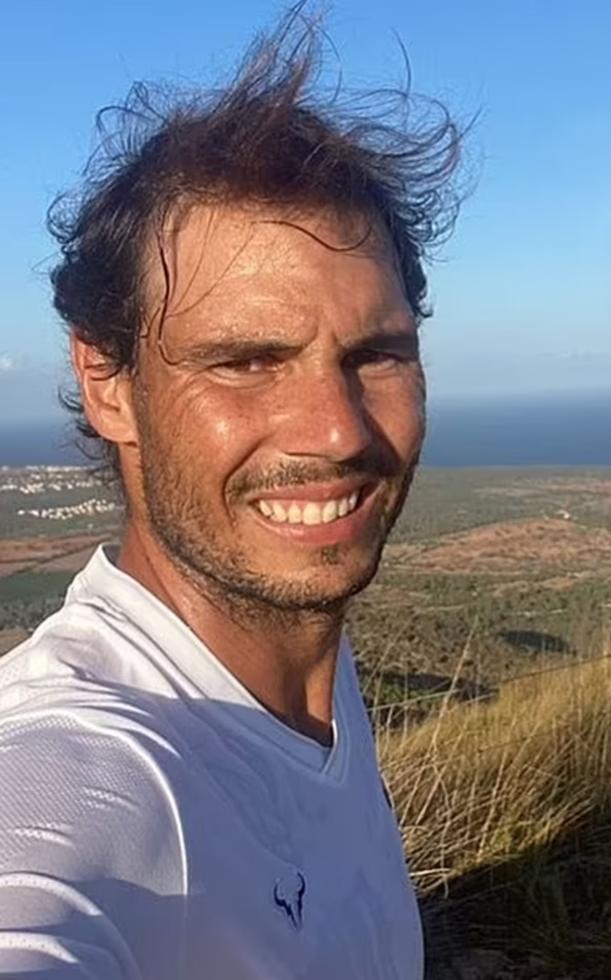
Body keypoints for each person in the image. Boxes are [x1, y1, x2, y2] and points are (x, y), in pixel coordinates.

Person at [0, 12, 463, 979]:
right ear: (110, 383)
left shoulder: (306, 671)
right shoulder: (97, 762)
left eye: (376, 354)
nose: (337, 432)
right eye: (246, 361)